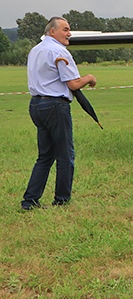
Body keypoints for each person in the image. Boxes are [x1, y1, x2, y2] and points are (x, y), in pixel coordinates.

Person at [21, 17, 97, 211]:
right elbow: (72, 84)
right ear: (52, 32)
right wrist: (88, 78)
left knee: (45, 157)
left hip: (36, 105)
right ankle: (62, 201)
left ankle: (30, 201)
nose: (69, 33)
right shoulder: (58, 51)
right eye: (65, 29)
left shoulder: (35, 50)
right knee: (65, 156)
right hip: (55, 106)